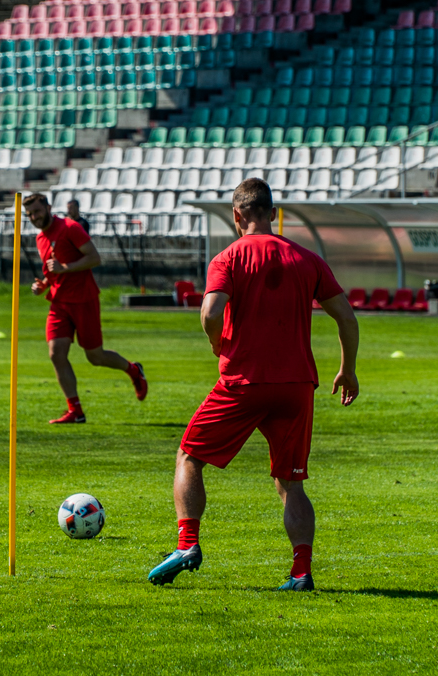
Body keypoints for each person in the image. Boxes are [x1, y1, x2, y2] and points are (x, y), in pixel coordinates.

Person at [148, 178, 360, 591]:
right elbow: (347, 318)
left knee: (189, 456)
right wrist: (347, 369)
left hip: (244, 380)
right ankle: (301, 572)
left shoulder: (228, 257)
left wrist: (217, 342)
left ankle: (187, 545)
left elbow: (210, 313)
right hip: (297, 384)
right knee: (291, 482)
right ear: (273, 213)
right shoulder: (307, 258)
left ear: (237, 215)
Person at [23, 193, 148, 424]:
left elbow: (94, 258)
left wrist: (64, 267)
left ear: (48, 207)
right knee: (56, 353)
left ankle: (133, 370)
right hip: (59, 302)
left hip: (83, 299)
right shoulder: (40, 238)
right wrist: (44, 285)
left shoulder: (70, 228)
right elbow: (53, 271)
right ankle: (76, 411)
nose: (34, 217)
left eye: (37, 211)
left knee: (95, 356)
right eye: (29, 214)